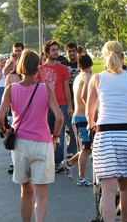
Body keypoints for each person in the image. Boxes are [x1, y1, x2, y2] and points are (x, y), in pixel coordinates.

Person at [0, 49, 63, 222]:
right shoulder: (45, 89)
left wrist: (6, 130)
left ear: (21, 66)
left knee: (26, 191)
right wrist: (55, 136)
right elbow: (59, 117)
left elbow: (0, 117)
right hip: (42, 143)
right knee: (41, 195)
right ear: (38, 67)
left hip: (21, 145)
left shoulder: (11, 89)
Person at [86, 41, 127, 222]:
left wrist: (92, 124)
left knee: (107, 190)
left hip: (106, 135)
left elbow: (91, 113)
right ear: (123, 57)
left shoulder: (97, 79)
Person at [35, 40, 73, 173]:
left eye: (57, 49)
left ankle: (57, 162)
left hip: (60, 105)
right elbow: (35, 89)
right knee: (44, 134)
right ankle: (45, 160)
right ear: (47, 53)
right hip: (43, 106)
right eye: (53, 50)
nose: (56, 52)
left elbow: (66, 88)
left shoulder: (63, 69)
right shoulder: (39, 70)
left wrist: (69, 106)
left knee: (59, 135)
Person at [60, 53, 93, 186]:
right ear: (91, 64)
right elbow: (85, 96)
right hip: (83, 117)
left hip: (78, 116)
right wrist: (92, 110)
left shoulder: (78, 77)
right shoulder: (88, 77)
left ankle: (69, 163)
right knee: (85, 149)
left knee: (87, 148)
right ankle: (81, 177)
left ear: (78, 66)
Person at [60, 42, 80, 158]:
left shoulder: (81, 63)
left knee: (79, 124)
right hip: (67, 98)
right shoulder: (63, 65)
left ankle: (80, 146)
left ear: (77, 52)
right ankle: (72, 149)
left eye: (74, 51)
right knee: (69, 126)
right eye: (69, 51)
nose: (72, 53)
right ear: (66, 52)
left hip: (79, 98)